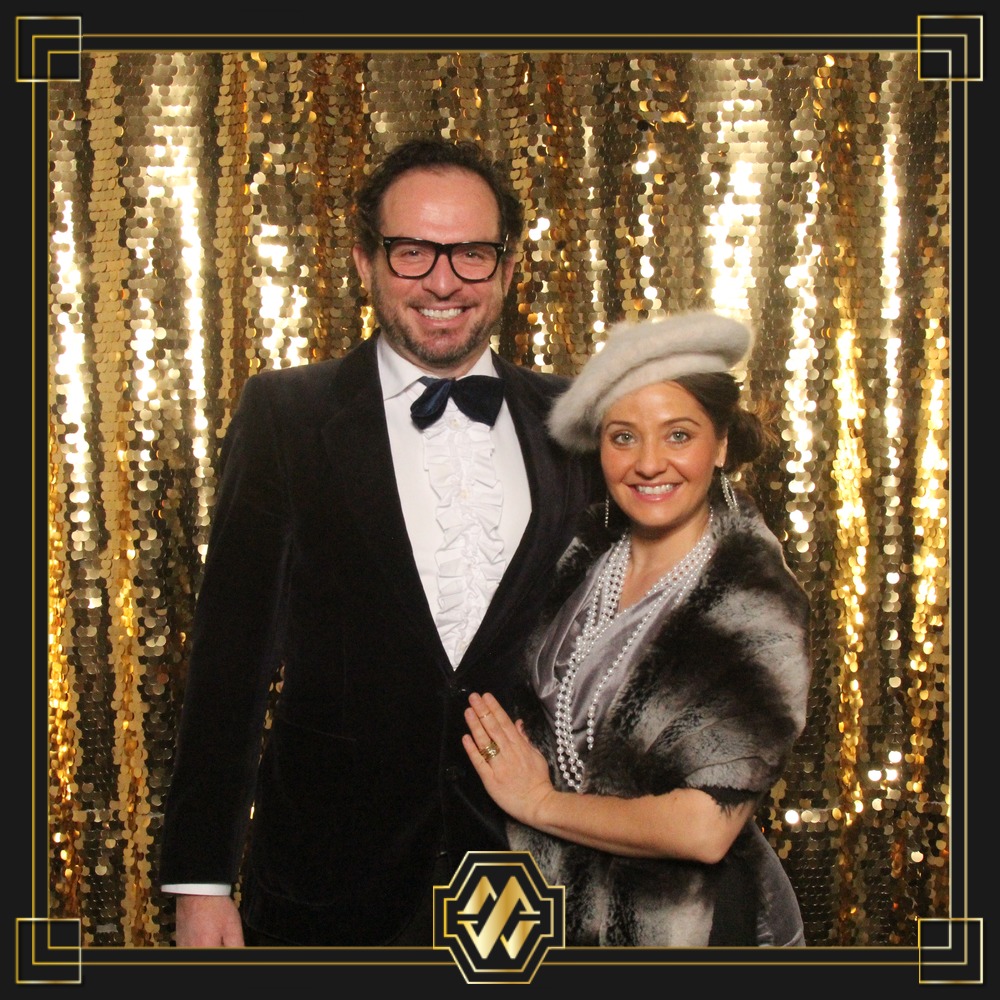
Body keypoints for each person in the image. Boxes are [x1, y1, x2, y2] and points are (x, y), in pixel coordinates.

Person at [158, 136, 599, 947]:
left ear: (508, 269)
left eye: (471, 253)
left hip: (530, 870)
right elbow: (229, 662)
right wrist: (201, 882)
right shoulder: (285, 415)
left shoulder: (577, 421)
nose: (443, 281)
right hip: (329, 876)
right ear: (365, 262)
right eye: (412, 251)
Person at [461, 311, 812, 947]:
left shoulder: (753, 600)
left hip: (682, 926)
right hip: (552, 911)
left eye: (678, 435)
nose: (649, 464)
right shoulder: (584, 552)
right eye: (624, 437)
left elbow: (705, 829)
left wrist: (537, 803)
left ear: (721, 444)